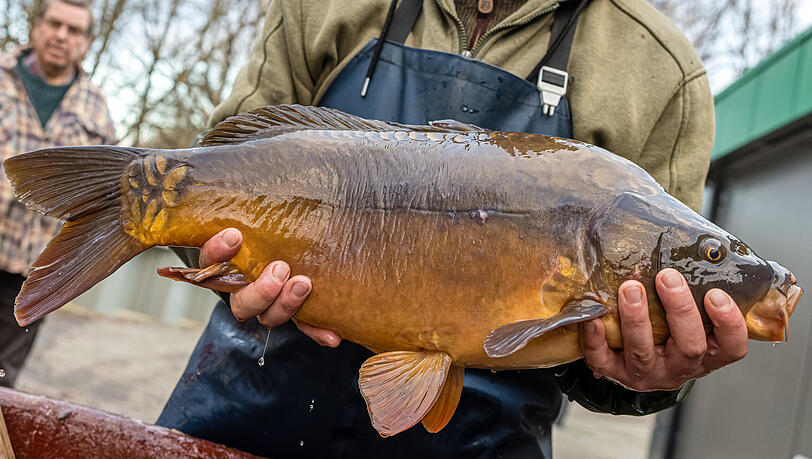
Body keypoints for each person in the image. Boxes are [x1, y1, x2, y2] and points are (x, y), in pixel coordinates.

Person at [158, 0, 748, 457]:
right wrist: (224, 264)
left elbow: (639, 354)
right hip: (247, 398)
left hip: (481, 441)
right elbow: (217, 170)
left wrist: (652, 375)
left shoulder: (660, 71)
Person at [0, 0, 116, 388]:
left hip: (34, 269)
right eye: (54, 23)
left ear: (86, 43)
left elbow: (106, 192)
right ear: (37, 27)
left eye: (74, 30)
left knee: (2, 381)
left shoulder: (96, 109)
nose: (61, 36)